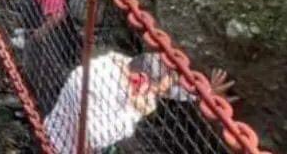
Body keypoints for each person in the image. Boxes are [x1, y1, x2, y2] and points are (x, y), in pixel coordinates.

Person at [43, 51, 233, 154]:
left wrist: (204, 94)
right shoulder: (94, 87)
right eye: (154, 91)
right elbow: (94, 139)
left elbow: (166, 89)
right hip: (58, 146)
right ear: (141, 82)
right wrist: (136, 111)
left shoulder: (129, 66)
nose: (156, 95)